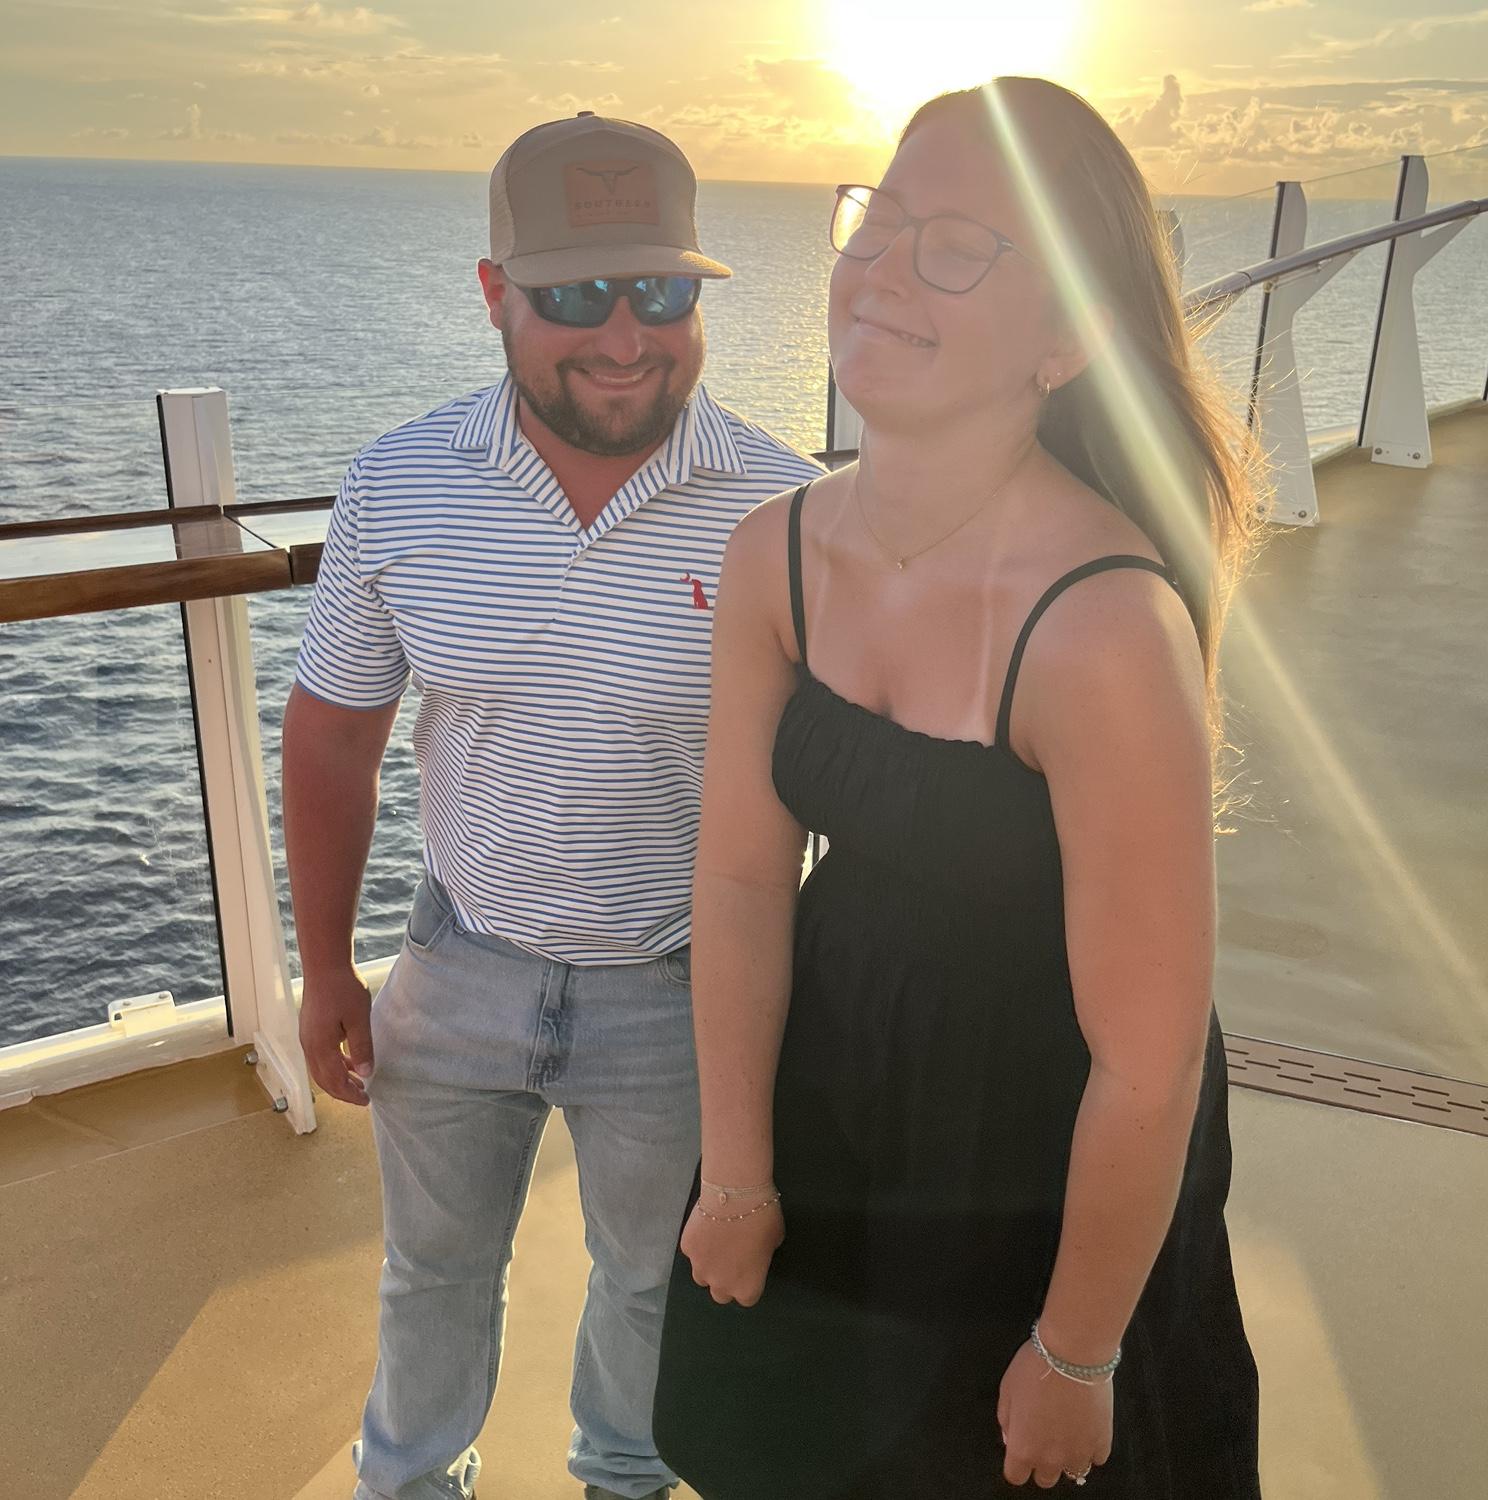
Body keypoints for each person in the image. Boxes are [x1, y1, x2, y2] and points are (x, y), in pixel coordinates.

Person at [653, 76, 1263, 1498]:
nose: (879, 267)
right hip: (835, 1074)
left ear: (1066, 339)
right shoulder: (775, 553)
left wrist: (1079, 1351)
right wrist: (737, 1171)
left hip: (1044, 1139)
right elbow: (740, 876)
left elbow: (1149, 1062)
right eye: (879, 220)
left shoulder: (1103, 628)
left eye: (955, 247)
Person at [283, 111, 823, 1500]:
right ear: (493, 294)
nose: (626, 336)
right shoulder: (400, 484)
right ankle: (411, 1485)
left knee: (651, 1284)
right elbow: (335, 735)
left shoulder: (790, 511)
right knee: (432, 1273)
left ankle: (622, 1485)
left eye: (662, 292)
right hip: (460, 957)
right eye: (577, 297)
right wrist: (328, 965)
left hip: (681, 987)